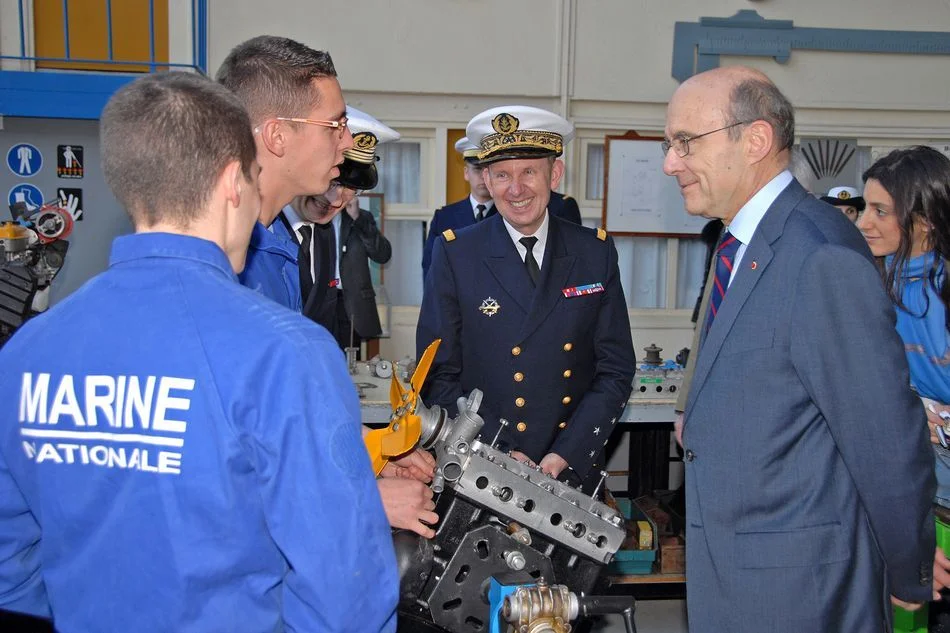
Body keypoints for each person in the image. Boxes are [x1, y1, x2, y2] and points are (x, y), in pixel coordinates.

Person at [0, 73, 397, 632]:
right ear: (235, 181)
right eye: (258, 180)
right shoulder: (286, 354)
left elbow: (9, 563)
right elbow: (346, 594)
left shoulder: (26, 354)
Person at [663, 66, 936, 632]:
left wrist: (908, 573)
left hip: (798, 590)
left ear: (755, 140)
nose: (671, 163)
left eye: (685, 142)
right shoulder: (739, 243)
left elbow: (884, 437)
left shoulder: (819, 255)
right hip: (737, 572)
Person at [417, 105, 635, 490]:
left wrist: (565, 453)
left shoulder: (594, 253)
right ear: (486, 177)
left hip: (568, 467)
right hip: (482, 468)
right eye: (502, 175)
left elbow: (615, 370)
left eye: (529, 172)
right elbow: (437, 373)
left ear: (555, 173)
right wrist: (491, 451)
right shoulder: (455, 253)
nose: (515, 190)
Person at [858, 146, 950, 631]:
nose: (864, 223)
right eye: (864, 208)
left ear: (925, 220)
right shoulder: (874, 276)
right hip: (912, 463)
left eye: (881, 211)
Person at [216, 35, 353, 309]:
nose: (348, 140)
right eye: (334, 126)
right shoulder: (221, 258)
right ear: (277, 136)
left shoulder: (278, 240)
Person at [290, 107, 395, 351]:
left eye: (352, 191)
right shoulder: (265, 226)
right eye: (333, 182)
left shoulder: (324, 232)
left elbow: (383, 253)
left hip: (349, 310)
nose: (337, 200)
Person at [422, 137, 496, 279]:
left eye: (489, 170)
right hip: (457, 298)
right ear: (466, 173)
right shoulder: (444, 217)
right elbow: (431, 267)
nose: (483, 177)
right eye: (477, 169)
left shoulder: (510, 215)